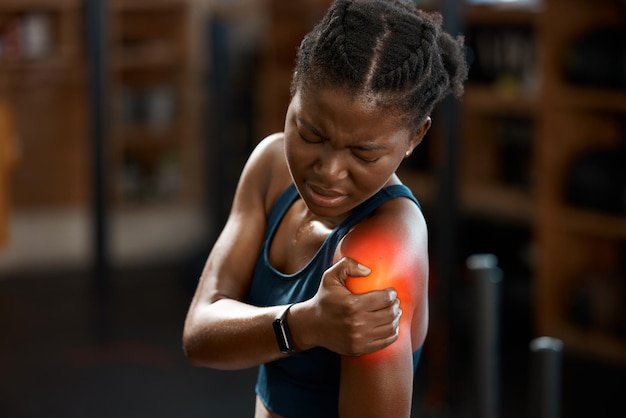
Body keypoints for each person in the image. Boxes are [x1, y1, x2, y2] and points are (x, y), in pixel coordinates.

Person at [183, 1, 467, 416]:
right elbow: (200, 334)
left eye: (363, 153)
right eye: (311, 134)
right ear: (294, 88)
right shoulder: (270, 167)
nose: (328, 172)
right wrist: (305, 325)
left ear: (415, 136)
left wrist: (287, 328)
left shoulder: (380, 250)